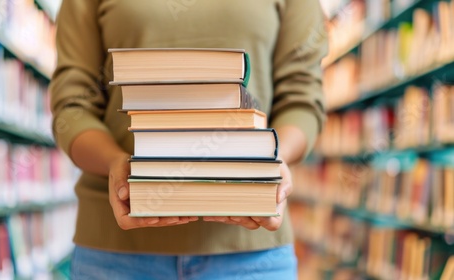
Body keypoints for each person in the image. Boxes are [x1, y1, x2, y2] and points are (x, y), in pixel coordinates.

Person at [50, 0, 327, 279]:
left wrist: (272, 161)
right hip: (113, 254)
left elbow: (302, 100)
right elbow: (73, 108)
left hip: (252, 255)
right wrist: (115, 164)